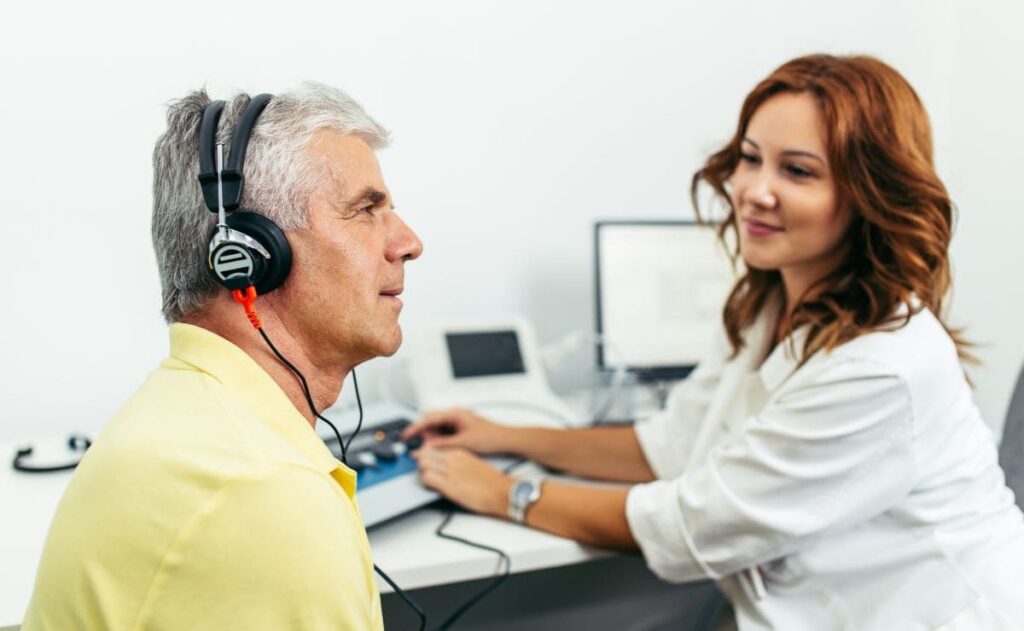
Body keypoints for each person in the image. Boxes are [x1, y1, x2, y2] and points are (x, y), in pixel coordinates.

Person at [403, 54, 1024, 630]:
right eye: (750, 158)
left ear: (870, 193)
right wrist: (503, 434)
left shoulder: (884, 365)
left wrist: (502, 491)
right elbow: (671, 445)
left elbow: (686, 526)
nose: (754, 189)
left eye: (798, 171)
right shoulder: (774, 303)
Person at [23, 83, 422, 630]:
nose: (408, 242)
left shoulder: (186, 414)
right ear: (250, 256)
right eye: (365, 210)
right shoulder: (264, 492)